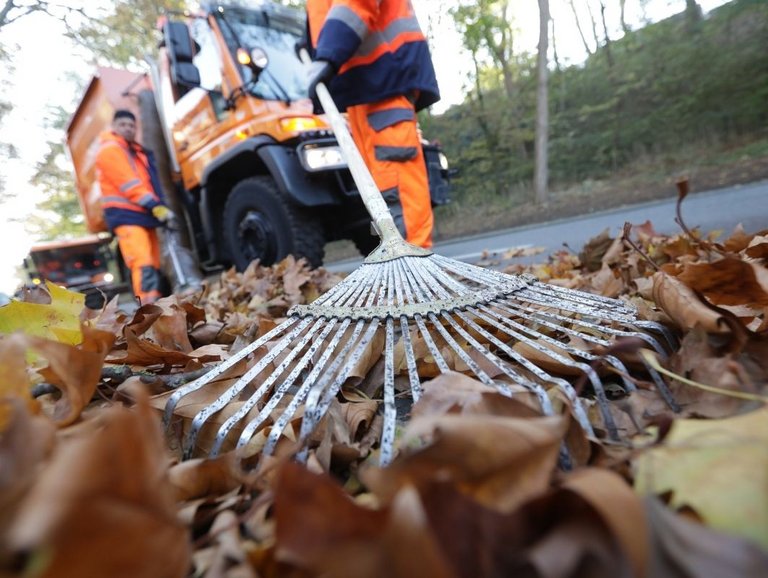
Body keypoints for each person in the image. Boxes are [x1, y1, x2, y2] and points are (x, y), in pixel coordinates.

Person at [304, 0, 440, 248]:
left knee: (394, 178)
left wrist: (327, 53)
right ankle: (402, 263)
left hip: (383, 79)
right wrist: (311, 43)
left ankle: (415, 263)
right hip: (365, 87)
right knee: (378, 186)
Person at [95, 109, 173, 304]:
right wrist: (155, 205)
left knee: (153, 263)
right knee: (143, 262)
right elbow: (129, 184)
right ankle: (146, 311)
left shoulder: (133, 151)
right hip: (127, 216)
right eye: (123, 125)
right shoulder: (110, 150)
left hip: (142, 214)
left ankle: (154, 307)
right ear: (114, 127)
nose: (128, 129)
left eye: (131, 126)